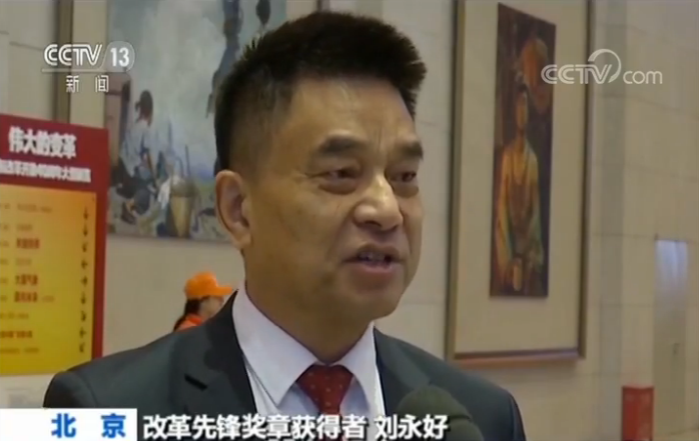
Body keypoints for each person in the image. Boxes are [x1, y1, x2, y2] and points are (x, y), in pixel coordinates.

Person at [44, 11, 526, 441]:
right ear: (238, 209)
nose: (386, 209)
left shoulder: (481, 419)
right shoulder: (103, 412)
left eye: (404, 177)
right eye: (341, 173)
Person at [492, 84, 545, 296]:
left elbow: (535, 213)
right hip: (509, 247)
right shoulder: (507, 157)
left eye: (525, 106)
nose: (522, 112)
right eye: (519, 106)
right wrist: (508, 259)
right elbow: (502, 209)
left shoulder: (532, 160)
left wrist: (527, 256)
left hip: (527, 249)